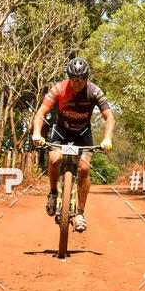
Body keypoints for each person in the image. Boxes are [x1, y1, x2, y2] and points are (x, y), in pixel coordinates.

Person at [32, 58, 114, 232]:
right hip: (62, 130)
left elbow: (109, 117)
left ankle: (80, 214)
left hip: (83, 133)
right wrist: (36, 133)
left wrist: (107, 139)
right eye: (73, 78)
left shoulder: (95, 91)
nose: (77, 83)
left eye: (81, 79)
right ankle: (53, 194)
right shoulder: (59, 89)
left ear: (86, 78)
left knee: (84, 168)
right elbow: (41, 112)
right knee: (54, 159)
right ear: (69, 77)